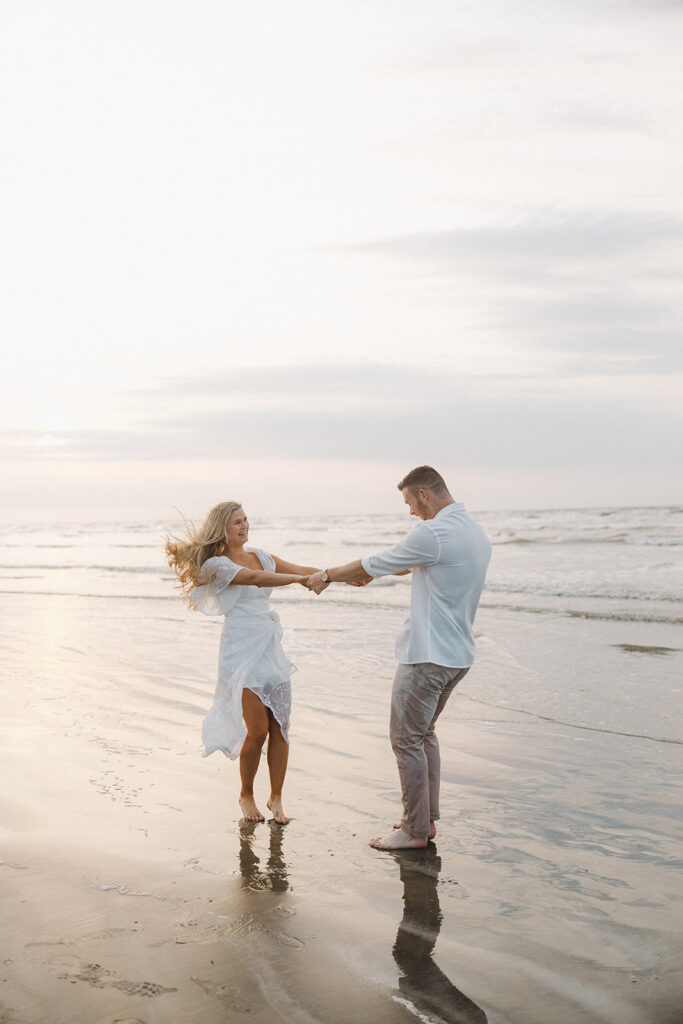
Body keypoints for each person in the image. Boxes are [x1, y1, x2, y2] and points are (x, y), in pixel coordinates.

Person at [308, 466, 491, 851]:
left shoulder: (433, 531)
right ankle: (426, 820)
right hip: (457, 655)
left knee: (405, 738)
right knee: (424, 735)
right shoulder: (472, 531)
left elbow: (378, 560)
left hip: (427, 655)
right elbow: (411, 562)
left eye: (409, 502)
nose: (410, 511)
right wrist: (375, 574)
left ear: (424, 494)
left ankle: (413, 831)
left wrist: (327, 574)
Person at [165, 500, 320, 825]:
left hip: (270, 648)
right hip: (241, 650)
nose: (244, 525)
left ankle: (276, 798)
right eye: (237, 522)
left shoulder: (261, 555)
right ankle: (246, 794)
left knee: (282, 727)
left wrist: (336, 576)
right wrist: (296, 581)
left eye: (246, 519)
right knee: (258, 730)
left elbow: (301, 568)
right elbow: (254, 579)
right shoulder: (215, 564)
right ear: (222, 527)